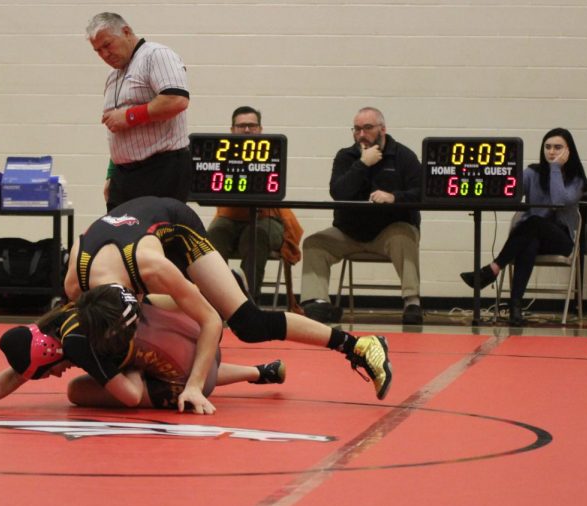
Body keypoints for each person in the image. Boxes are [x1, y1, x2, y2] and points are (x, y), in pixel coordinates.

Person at [64, 195, 393, 415]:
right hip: (130, 242)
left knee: (249, 325)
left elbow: (211, 322)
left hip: (175, 225)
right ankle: (198, 294)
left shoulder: (153, 266)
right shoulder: (74, 283)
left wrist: (193, 387)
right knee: (152, 327)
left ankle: (359, 346)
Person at [0, 295, 287, 415]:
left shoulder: (79, 344)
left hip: (187, 378)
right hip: (197, 337)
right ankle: (259, 372)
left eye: (45, 372)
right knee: (124, 364)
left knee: (78, 392)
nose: (51, 375)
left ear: (49, 352)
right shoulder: (65, 315)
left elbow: (129, 398)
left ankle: (252, 373)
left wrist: (124, 368)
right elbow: (14, 375)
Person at [299, 107, 423, 325]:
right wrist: (363, 164)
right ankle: (317, 303)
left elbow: (421, 192)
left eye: (367, 128)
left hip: (389, 232)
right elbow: (338, 192)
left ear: (382, 129)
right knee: (314, 243)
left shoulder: (403, 156)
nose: (361, 134)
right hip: (349, 233)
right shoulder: (346, 157)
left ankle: (412, 302)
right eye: (356, 129)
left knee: (405, 236)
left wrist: (394, 197)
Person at [460, 128, 587, 326]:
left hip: (561, 240)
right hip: (532, 236)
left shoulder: (577, 180)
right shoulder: (532, 173)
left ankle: (493, 269)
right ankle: (515, 309)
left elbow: (557, 201)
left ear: (569, 151)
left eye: (557, 147)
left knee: (533, 222)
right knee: (529, 242)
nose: (551, 152)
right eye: (547, 147)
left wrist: (555, 168)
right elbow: (510, 193)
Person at [86, 12, 192, 210]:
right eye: (98, 51)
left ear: (126, 32)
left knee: (153, 239)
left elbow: (176, 100)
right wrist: (112, 173)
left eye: (107, 45)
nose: (104, 54)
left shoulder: (156, 55)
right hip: (124, 175)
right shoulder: (113, 75)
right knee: (118, 238)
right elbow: (116, 128)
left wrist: (129, 116)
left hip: (161, 169)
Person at [205, 106, 304, 298]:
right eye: (241, 126)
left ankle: (247, 299)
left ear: (260, 129)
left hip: (267, 218)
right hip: (230, 217)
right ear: (232, 130)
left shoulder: (272, 151)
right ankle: (216, 297)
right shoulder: (220, 152)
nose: (247, 130)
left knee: (254, 236)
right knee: (214, 234)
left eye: (251, 125)